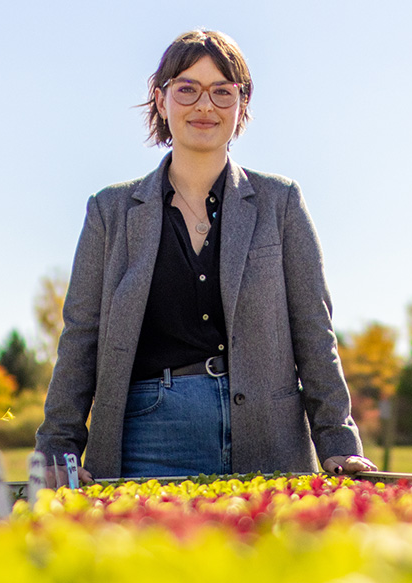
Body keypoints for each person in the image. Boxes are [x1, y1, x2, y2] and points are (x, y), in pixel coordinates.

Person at [35, 29, 376, 486]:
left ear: (241, 104)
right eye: (187, 89)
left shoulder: (281, 202)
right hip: (150, 436)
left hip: (269, 435)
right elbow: (82, 337)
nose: (205, 106)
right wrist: (58, 447)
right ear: (160, 100)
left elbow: (314, 330)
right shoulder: (109, 211)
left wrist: (337, 442)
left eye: (222, 92)